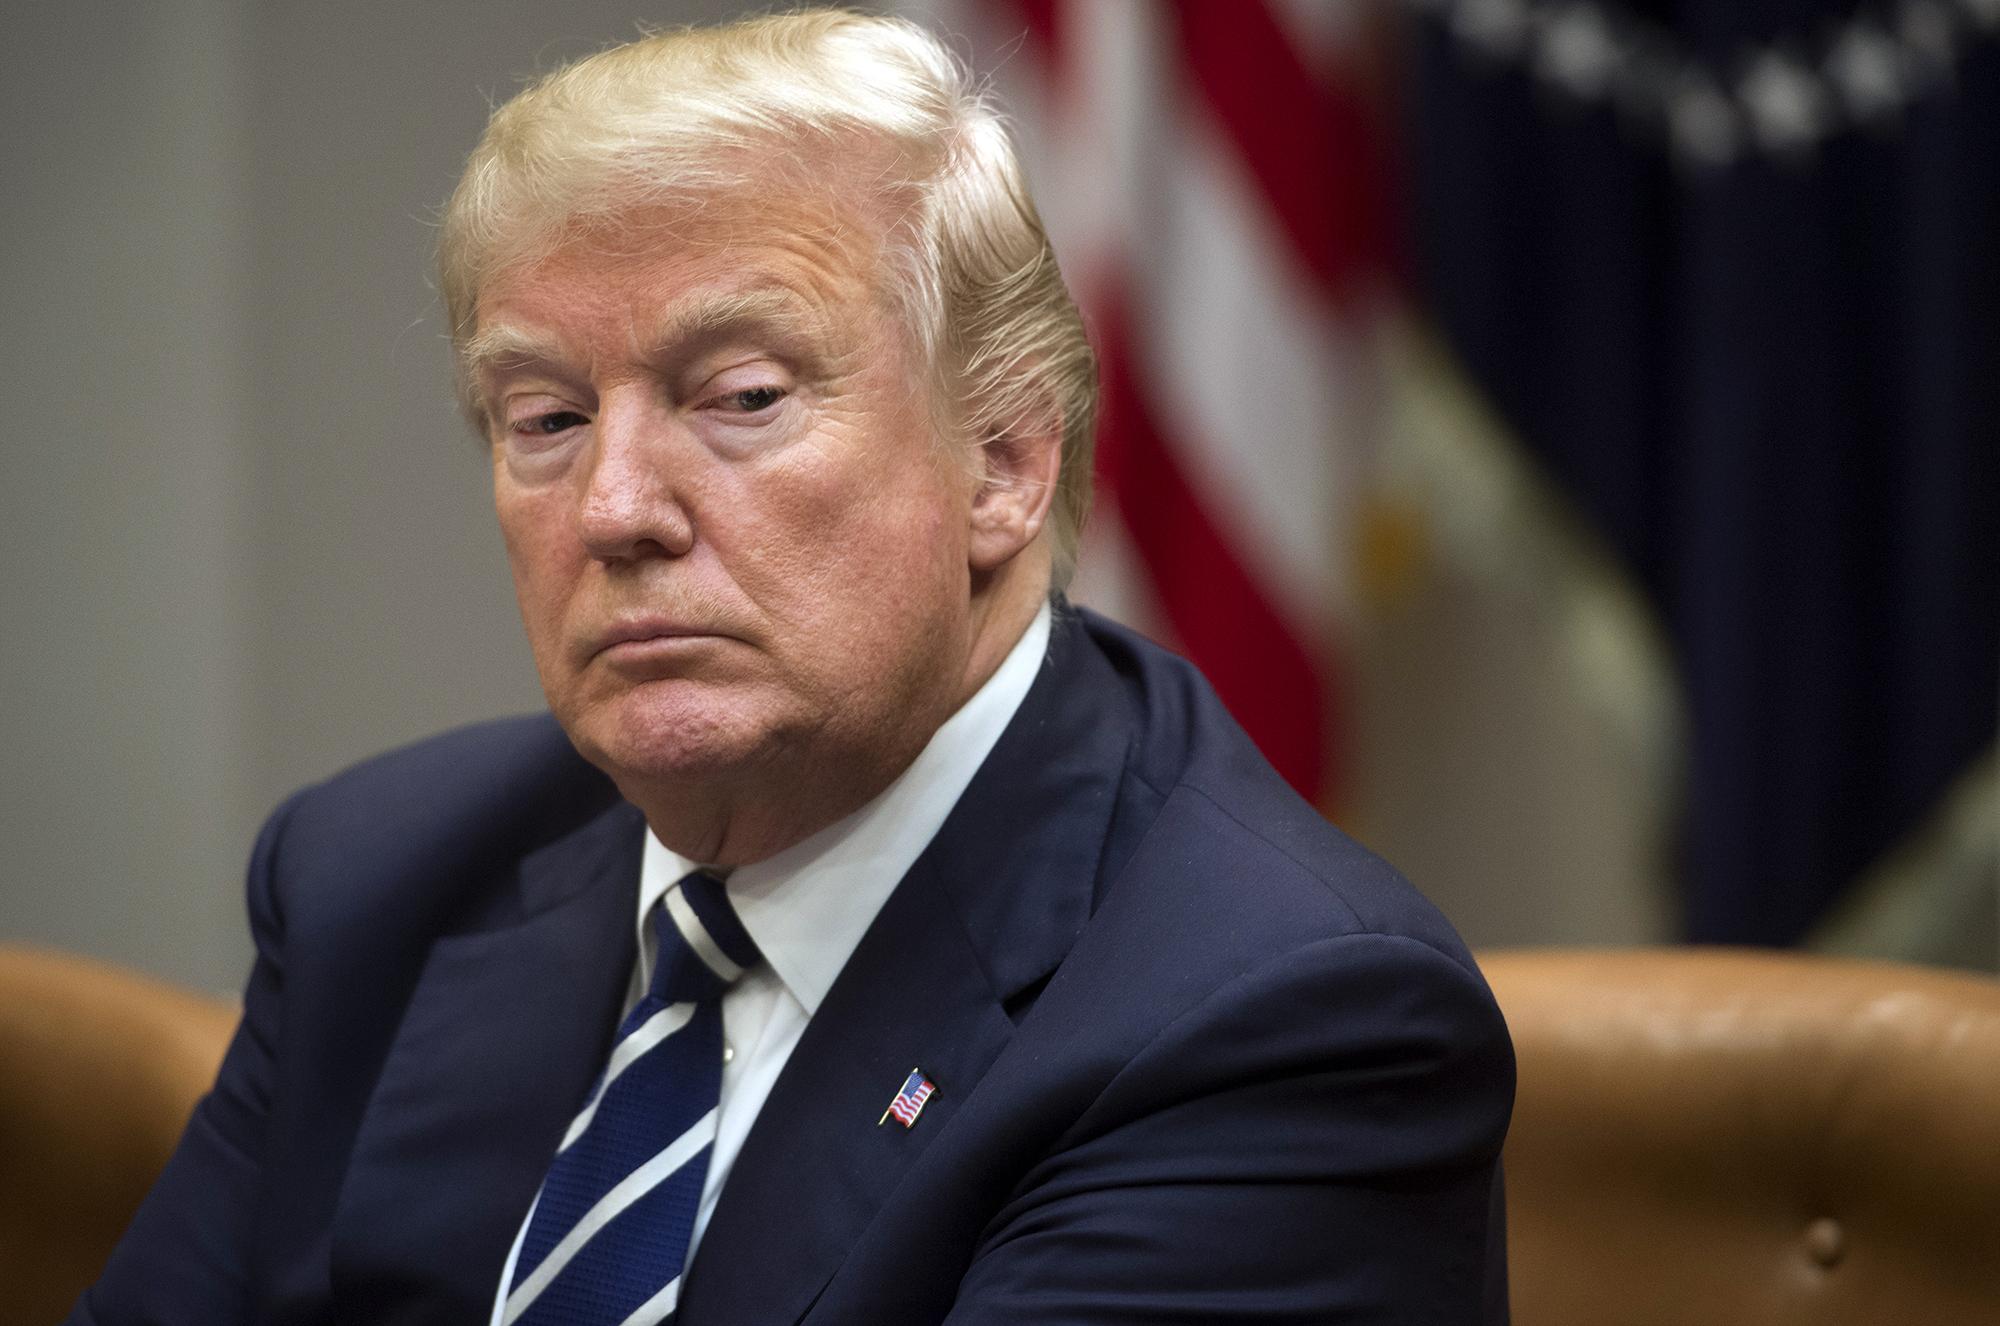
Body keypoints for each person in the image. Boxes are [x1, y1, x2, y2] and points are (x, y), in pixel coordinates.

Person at [70, 11, 1512, 1325]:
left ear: (1003, 464)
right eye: (546, 416)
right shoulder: (374, 881)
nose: (618, 506)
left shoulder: (1281, 1017)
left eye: (742, 396)